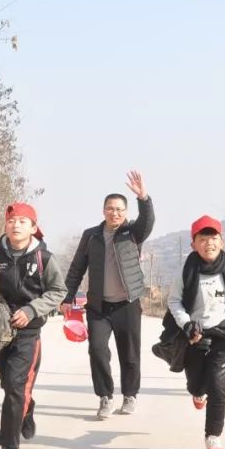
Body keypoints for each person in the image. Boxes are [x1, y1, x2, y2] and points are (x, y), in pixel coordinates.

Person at [0, 202, 67, 449]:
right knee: (8, 384)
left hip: (28, 331)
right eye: (12, 221)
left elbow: (59, 291)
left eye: (23, 222)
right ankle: (27, 408)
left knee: (14, 387)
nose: (16, 225)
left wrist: (32, 309)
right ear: (6, 225)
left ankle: (9, 447)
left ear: (34, 228)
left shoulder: (44, 259)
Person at [62, 170, 154, 420]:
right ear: (103, 211)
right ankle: (105, 396)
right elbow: (77, 267)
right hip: (98, 306)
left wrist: (143, 198)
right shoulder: (91, 235)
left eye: (120, 209)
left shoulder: (132, 233)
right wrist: (67, 296)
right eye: (110, 208)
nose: (115, 213)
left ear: (125, 213)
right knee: (97, 349)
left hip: (128, 304)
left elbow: (147, 222)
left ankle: (130, 395)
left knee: (130, 353)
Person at [167, 215, 225, 449]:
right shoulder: (186, 270)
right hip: (195, 335)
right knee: (196, 384)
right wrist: (186, 325)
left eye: (213, 238)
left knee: (219, 388)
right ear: (193, 243)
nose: (209, 244)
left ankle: (213, 436)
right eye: (202, 239)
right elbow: (174, 301)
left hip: (224, 333)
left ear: (222, 241)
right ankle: (197, 392)